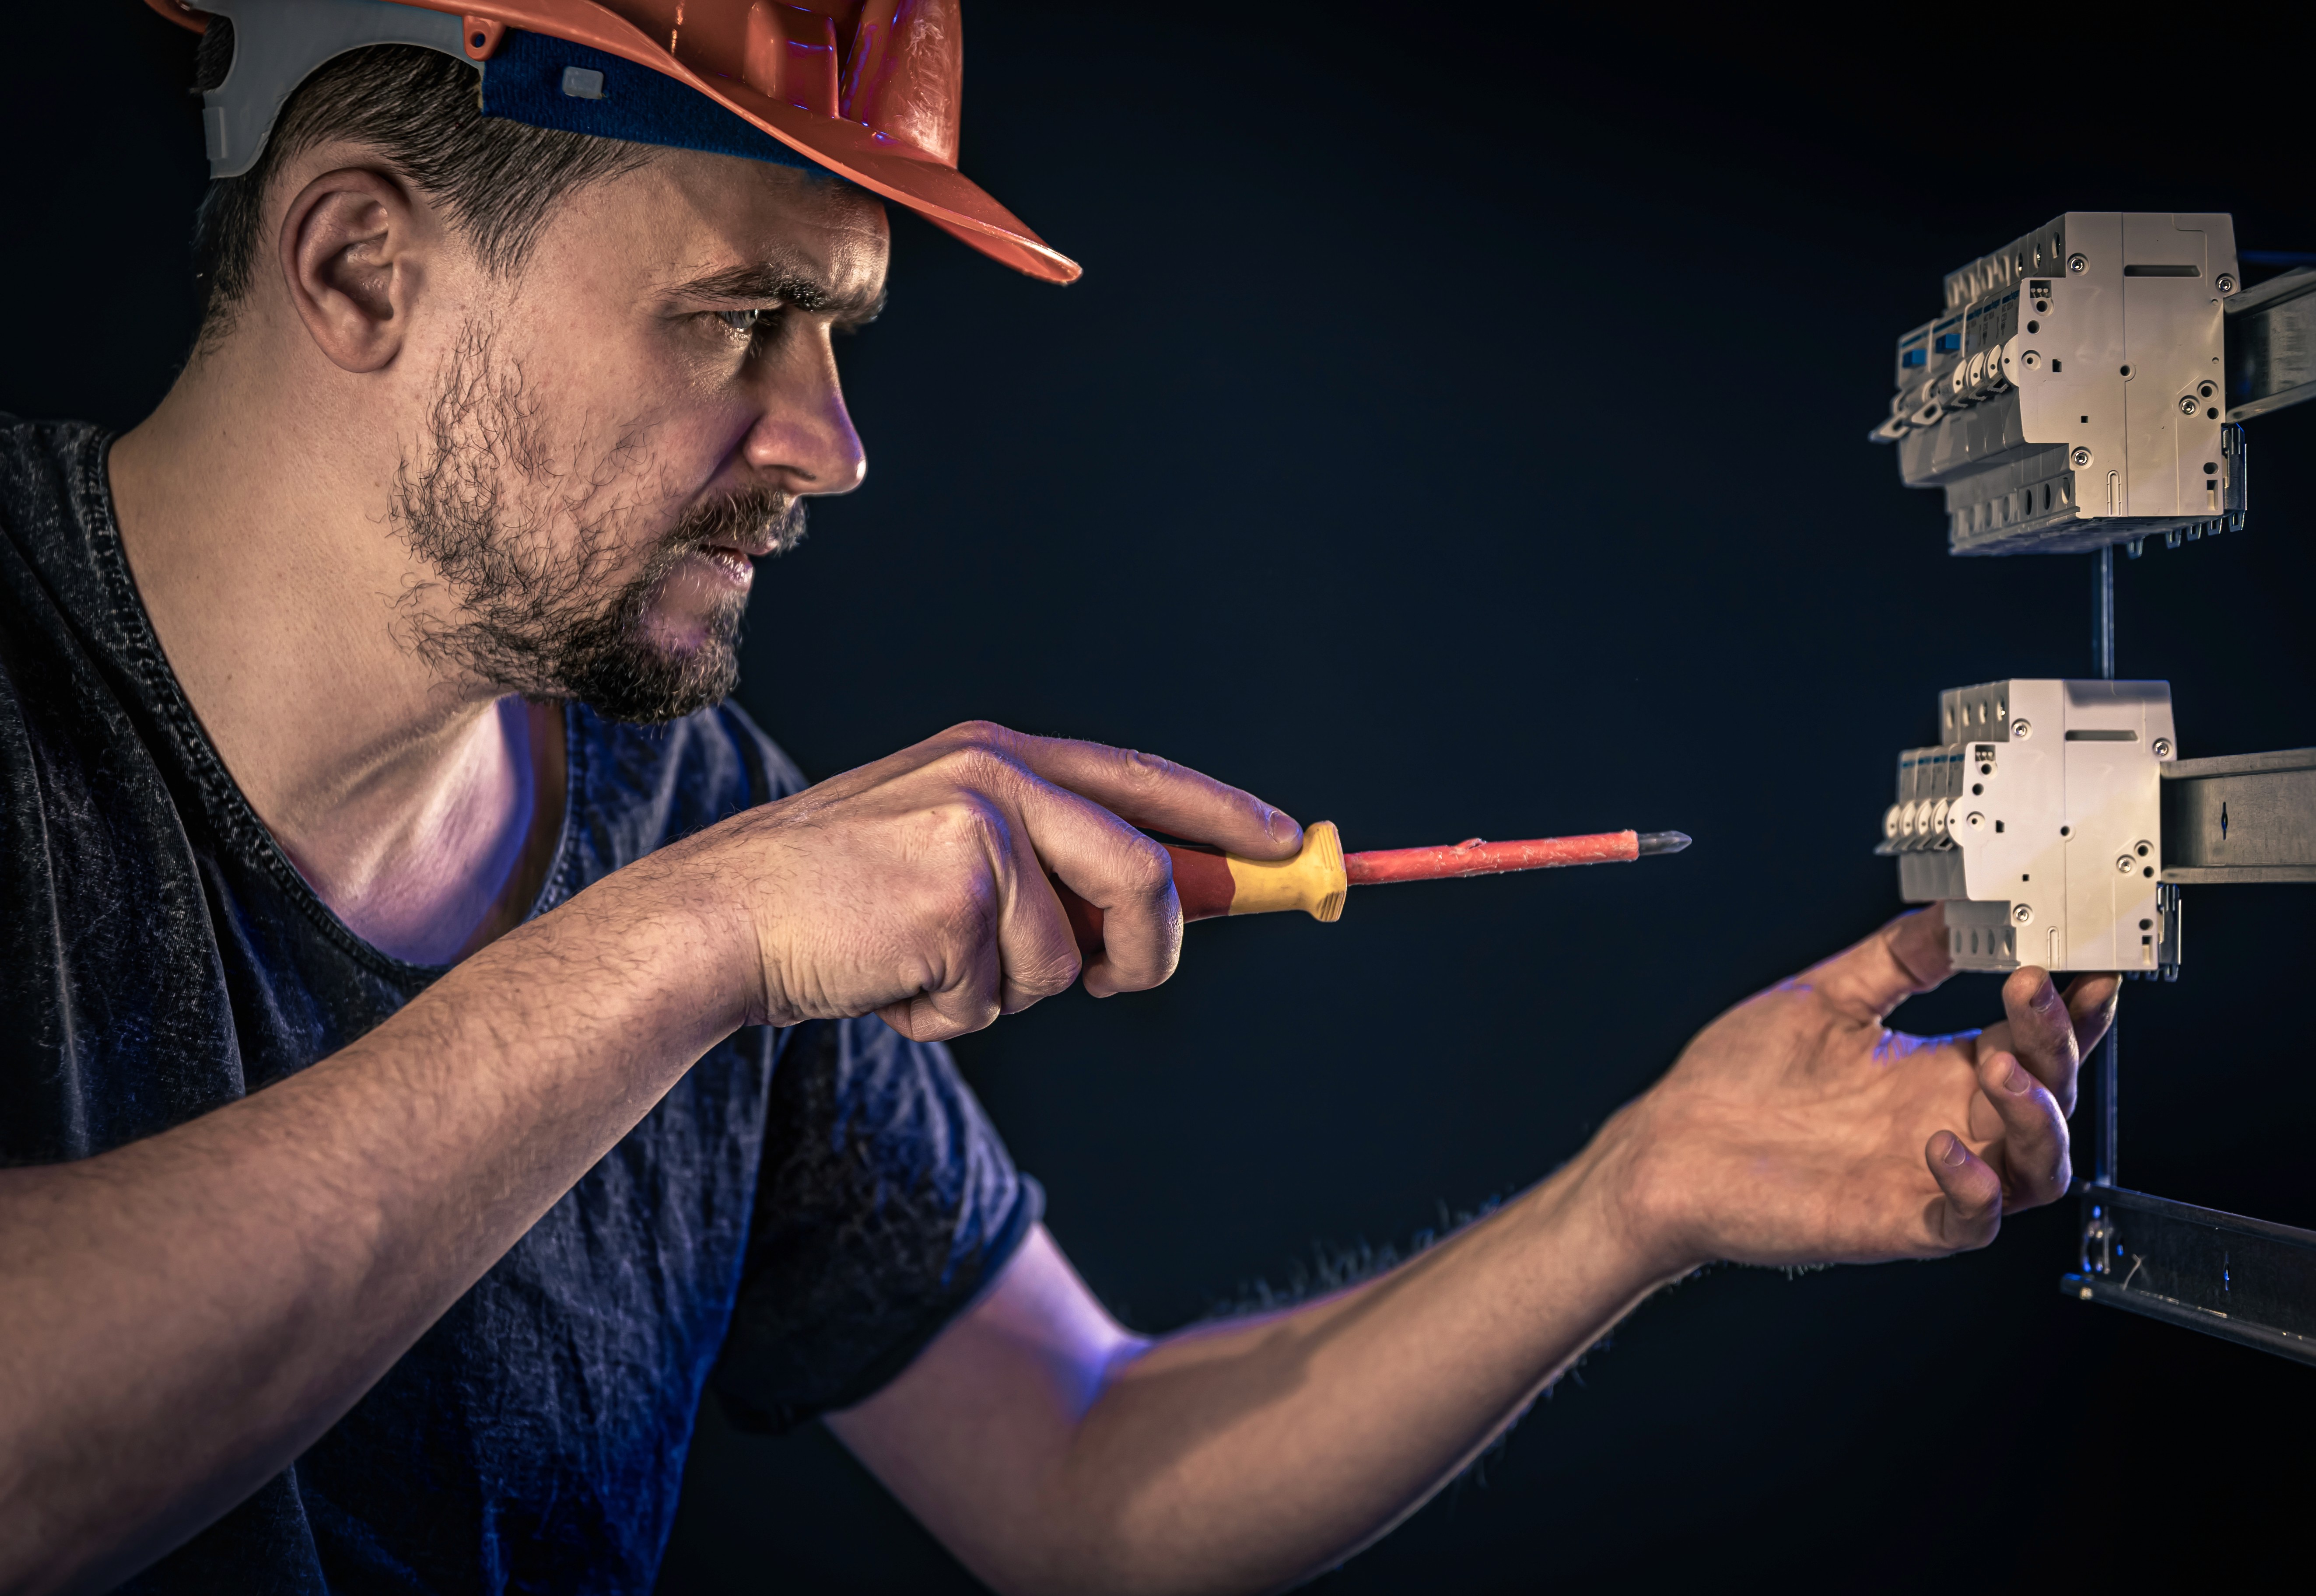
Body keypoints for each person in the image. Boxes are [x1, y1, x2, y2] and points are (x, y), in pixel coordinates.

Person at [0, 3, 2116, 1590]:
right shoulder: (707, 884)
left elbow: (1081, 1479)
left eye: (835, 339)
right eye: (740, 316)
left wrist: (1633, 1199)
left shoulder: (686, 808)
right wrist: (690, 948)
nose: (833, 446)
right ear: (364, 268)